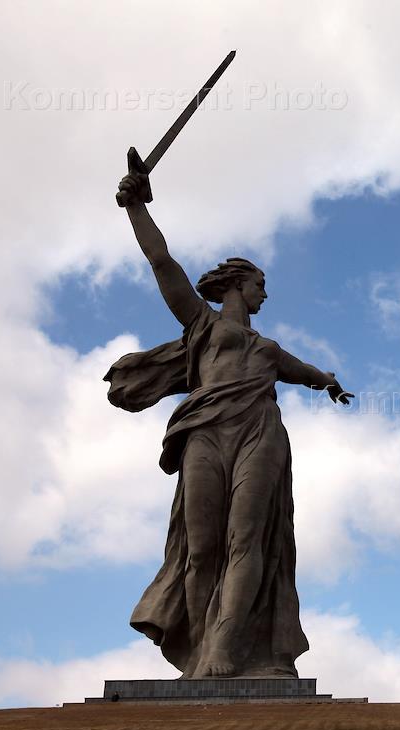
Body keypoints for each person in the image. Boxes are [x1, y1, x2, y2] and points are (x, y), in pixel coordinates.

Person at [110, 171, 353, 679]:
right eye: (260, 285)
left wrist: (328, 381)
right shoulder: (201, 323)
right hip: (205, 430)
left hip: (259, 432)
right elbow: (162, 263)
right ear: (239, 285)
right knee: (201, 549)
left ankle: (226, 647)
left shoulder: (267, 349)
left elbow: (306, 372)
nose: (266, 294)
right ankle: (199, 650)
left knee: (247, 540)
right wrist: (137, 208)